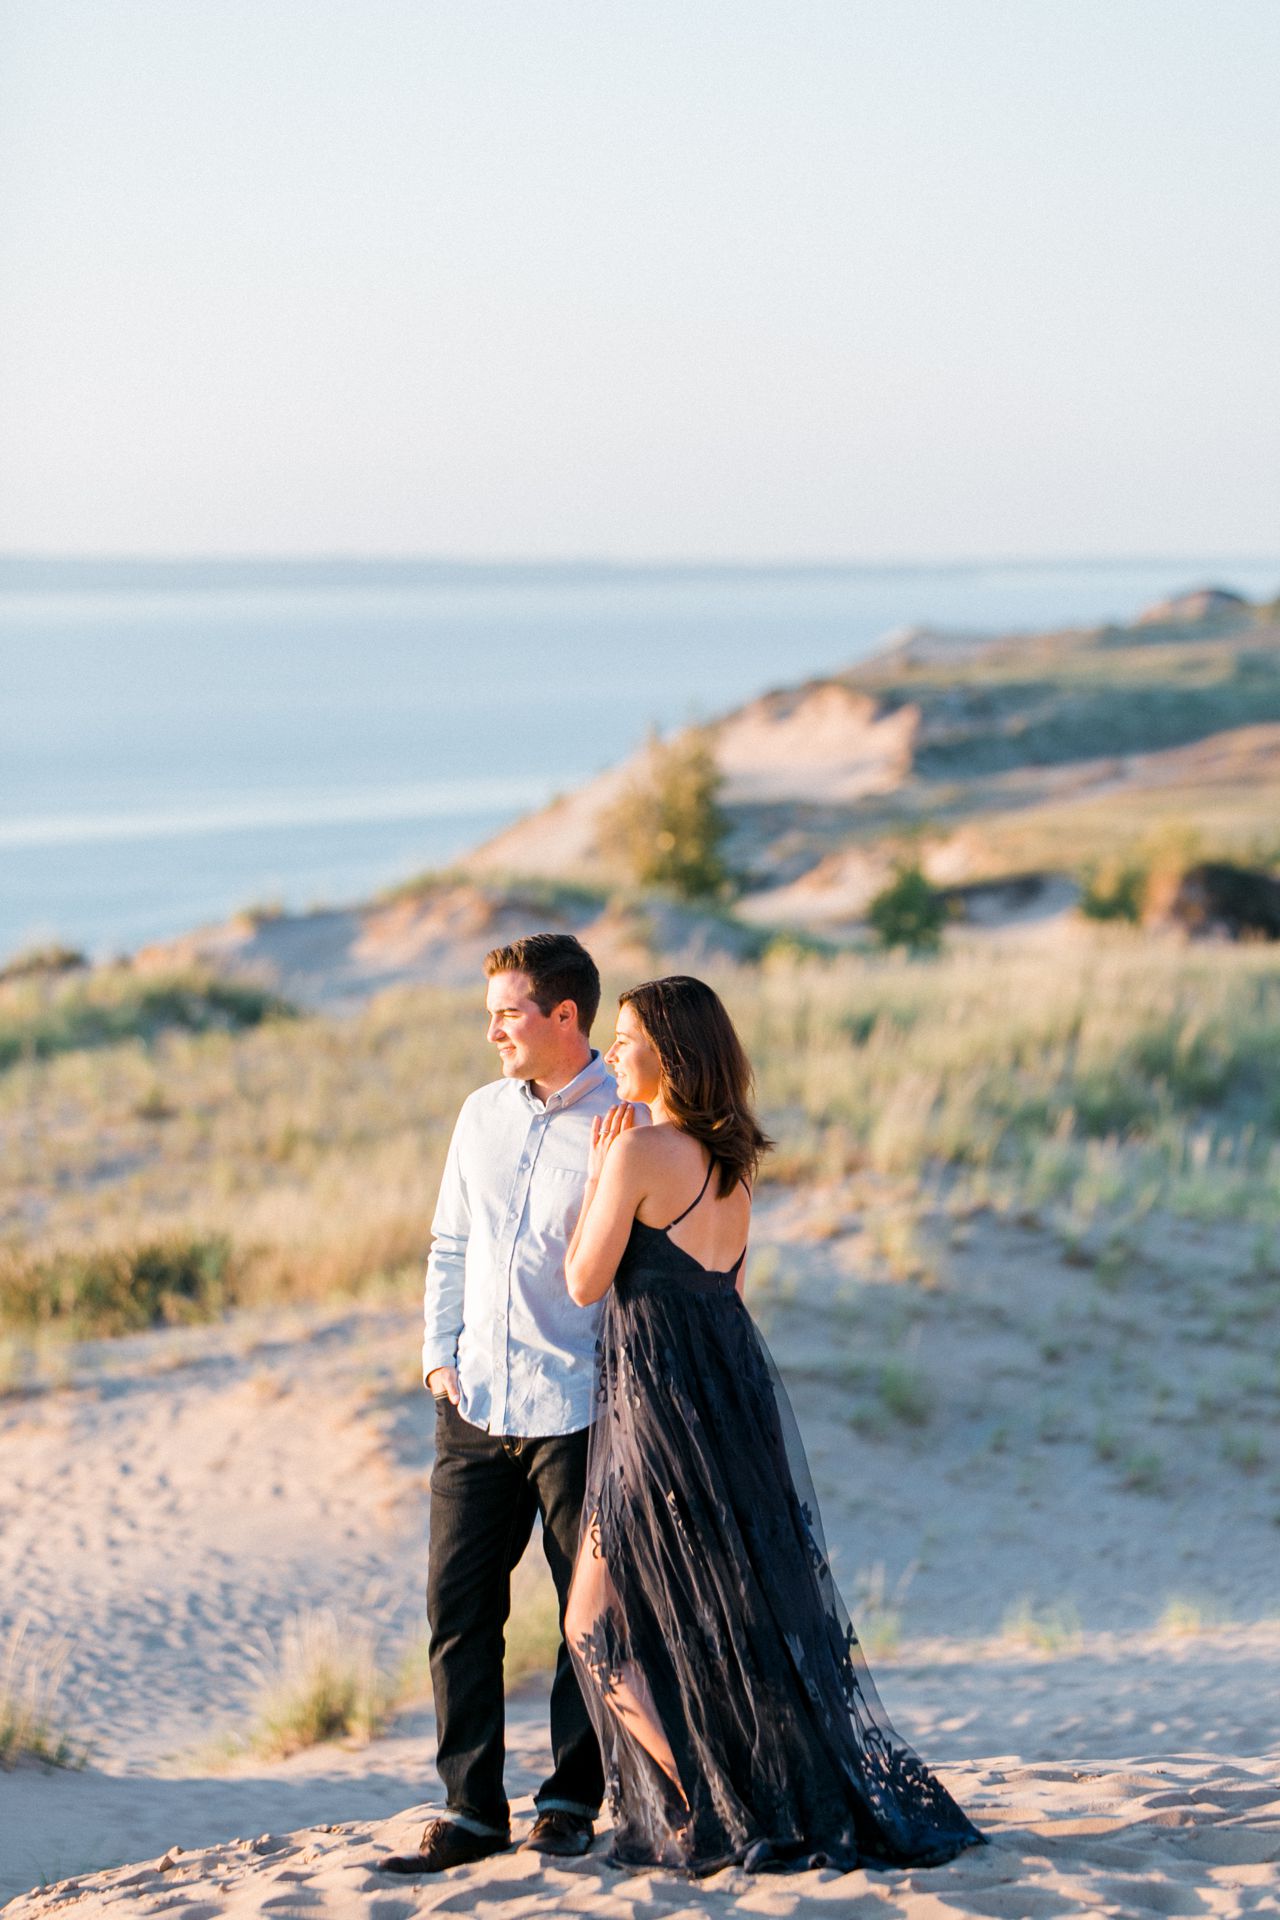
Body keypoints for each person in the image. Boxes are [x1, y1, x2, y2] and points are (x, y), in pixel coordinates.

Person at [561, 975, 986, 1876]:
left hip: (655, 1408)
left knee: (592, 1621)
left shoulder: (640, 1151)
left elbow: (583, 1283)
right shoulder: (732, 1163)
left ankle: (706, 1805)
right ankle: (753, 1799)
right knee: (729, 1611)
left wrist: (605, 1166)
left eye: (628, 1037)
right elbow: (730, 1295)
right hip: (734, 1403)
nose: (613, 1053)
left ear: (670, 1053)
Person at [379, 933, 612, 1876]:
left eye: (507, 1013)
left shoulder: (624, 1120)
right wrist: (439, 1360)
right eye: (490, 1014)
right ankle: (471, 1810)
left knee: (585, 1616)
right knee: (457, 1607)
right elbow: (450, 1243)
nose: (493, 1033)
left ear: (565, 1016)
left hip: (579, 1406)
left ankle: (569, 1800)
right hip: (473, 1404)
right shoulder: (480, 1114)